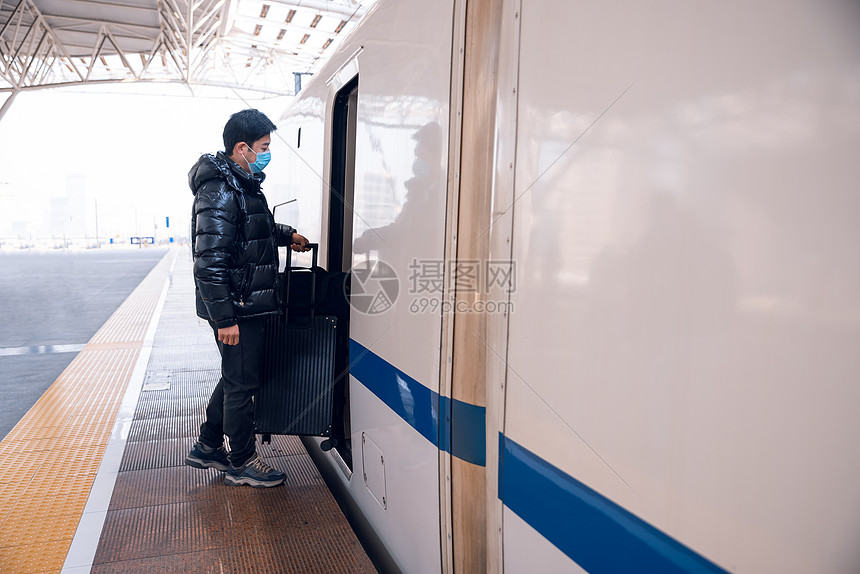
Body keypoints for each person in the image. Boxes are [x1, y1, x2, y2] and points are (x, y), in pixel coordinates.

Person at [185, 109, 310, 488]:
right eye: (264, 147)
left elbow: (253, 228)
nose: (267, 153)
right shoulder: (220, 190)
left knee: (236, 377)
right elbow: (209, 262)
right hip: (236, 307)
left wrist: (287, 235)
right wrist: (225, 320)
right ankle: (241, 462)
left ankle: (208, 445)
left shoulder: (240, 183)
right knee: (242, 385)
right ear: (242, 148)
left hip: (242, 302)